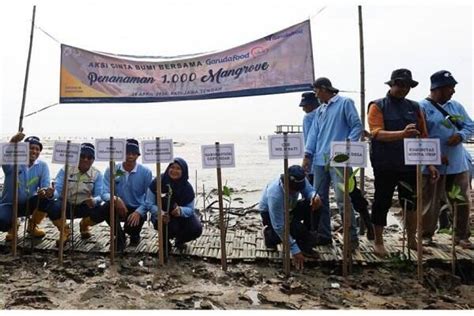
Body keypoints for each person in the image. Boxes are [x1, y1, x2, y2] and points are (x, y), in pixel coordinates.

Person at [367, 68, 438, 257]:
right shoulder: (377, 105)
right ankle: (379, 241)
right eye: (400, 85)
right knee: (382, 201)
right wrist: (402, 134)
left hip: (410, 164)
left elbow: (423, 136)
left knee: (412, 203)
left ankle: (412, 240)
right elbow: (376, 133)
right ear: (391, 84)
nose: (404, 89)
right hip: (384, 164)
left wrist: (430, 164)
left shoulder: (415, 107)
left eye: (407, 86)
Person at [302, 77, 362, 247]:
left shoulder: (345, 103)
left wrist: (348, 145)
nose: (315, 94)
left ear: (322, 89)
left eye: (316, 91)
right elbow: (313, 134)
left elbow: (356, 125)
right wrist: (307, 155)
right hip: (320, 159)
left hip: (339, 159)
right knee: (319, 198)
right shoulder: (321, 110)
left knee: (343, 198)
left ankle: (351, 237)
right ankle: (324, 234)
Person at [420, 70, 474, 249]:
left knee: (462, 200)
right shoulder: (422, 108)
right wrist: (433, 157)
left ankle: (461, 236)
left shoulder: (456, 106)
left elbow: (469, 125)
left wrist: (460, 135)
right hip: (432, 165)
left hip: (457, 163)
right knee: (429, 202)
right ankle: (426, 235)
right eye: (450, 88)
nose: (453, 91)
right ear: (438, 89)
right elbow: (420, 135)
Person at [259, 165, 322, 270]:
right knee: (296, 229)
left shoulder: (300, 179)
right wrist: (294, 249)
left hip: (290, 207)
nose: (294, 192)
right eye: (292, 189)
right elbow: (279, 225)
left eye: (296, 190)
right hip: (270, 214)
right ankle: (269, 234)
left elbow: (309, 190)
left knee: (315, 206)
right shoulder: (275, 194)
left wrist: (314, 197)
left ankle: (306, 242)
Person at [46, 143, 104, 246]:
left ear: (93, 160)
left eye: (89, 157)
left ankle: (84, 225)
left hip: (85, 206)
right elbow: (57, 190)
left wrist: (94, 200)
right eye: (82, 156)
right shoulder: (66, 169)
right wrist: (51, 194)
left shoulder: (97, 174)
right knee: (51, 206)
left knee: (102, 210)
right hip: (66, 205)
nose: (86, 159)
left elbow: (100, 195)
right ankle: (65, 231)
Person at [99, 139, 152, 248]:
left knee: (133, 226)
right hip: (117, 206)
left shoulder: (146, 172)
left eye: (133, 153)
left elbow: (149, 198)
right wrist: (115, 199)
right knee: (105, 207)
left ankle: (134, 234)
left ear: (138, 155)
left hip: (136, 207)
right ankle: (119, 236)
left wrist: (139, 212)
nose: (130, 156)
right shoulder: (112, 169)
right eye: (127, 153)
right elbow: (104, 193)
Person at [0, 133, 53, 241]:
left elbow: (46, 186)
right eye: (30, 148)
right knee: (1, 221)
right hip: (9, 204)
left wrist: (46, 192)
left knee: (47, 200)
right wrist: (12, 142)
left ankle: (32, 226)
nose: (34, 151)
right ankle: (12, 226)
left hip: (28, 204)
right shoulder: (13, 163)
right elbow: (3, 158)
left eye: (37, 149)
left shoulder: (42, 165)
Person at [142, 158, 202, 250]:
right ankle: (165, 242)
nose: (174, 171)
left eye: (178, 168)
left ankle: (180, 240)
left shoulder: (187, 187)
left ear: (183, 171)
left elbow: (190, 209)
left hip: (180, 216)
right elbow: (149, 203)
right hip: (162, 215)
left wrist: (180, 210)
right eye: (172, 167)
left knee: (196, 228)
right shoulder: (158, 182)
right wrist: (160, 212)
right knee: (169, 225)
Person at [299, 91, 320, 184]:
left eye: (305, 106)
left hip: (313, 156)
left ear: (312, 104)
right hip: (324, 155)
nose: (303, 109)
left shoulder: (308, 117)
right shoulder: (325, 114)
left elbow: (308, 138)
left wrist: (306, 157)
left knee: (311, 184)